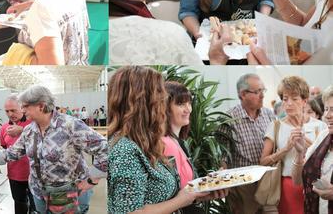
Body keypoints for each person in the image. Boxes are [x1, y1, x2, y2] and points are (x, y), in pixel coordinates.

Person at [0, 85, 107, 213]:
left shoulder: (70, 125)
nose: (22, 110)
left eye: (25, 106)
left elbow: (106, 151)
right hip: (39, 193)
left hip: (67, 193)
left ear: (41, 106)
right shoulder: (29, 130)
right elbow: (11, 153)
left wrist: (91, 181)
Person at [108, 66, 227, 213]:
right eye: (159, 95)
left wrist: (200, 194)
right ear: (143, 102)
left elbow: (168, 197)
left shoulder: (146, 143)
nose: (163, 103)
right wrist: (182, 199)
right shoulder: (125, 149)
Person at [260, 76, 327, 214]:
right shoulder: (275, 126)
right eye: (285, 99)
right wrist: (286, 148)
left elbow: (327, 158)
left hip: (315, 185)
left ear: (304, 101)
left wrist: (308, 144)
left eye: (294, 99)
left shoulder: (320, 126)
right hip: (288, 186)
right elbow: (263, 161)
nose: (289, 103)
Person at [163, 81, 228, 214]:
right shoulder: (166, 143)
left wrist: (210, 184)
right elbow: (171, 194)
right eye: (180, 104)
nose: (188, 109)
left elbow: (185, 193)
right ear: (164, 108)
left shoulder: (181, 142)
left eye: (189, 103)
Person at [222, 73, 275, 214]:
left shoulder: (269, 115)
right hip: (243, 186)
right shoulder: (228, 119)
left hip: (268, 181)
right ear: (243, 94)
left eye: (263, 91)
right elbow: (222, 158)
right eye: (257, 92)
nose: (262, 95)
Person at [292, 85, 333, 214]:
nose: (327, 115)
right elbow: (298, 181)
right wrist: (299, 153)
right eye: (326, 109)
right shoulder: (323, 136)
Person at [0, 95, 35, 213]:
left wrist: (23, 130)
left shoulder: (33, 124)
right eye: (7, 111)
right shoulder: (4, 128)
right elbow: (5, 150)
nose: (10, 114)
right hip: (15, 175)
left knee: (36, 206)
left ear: (21, 107)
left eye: (13, 110)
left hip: (34, 174)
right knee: (19, 204)